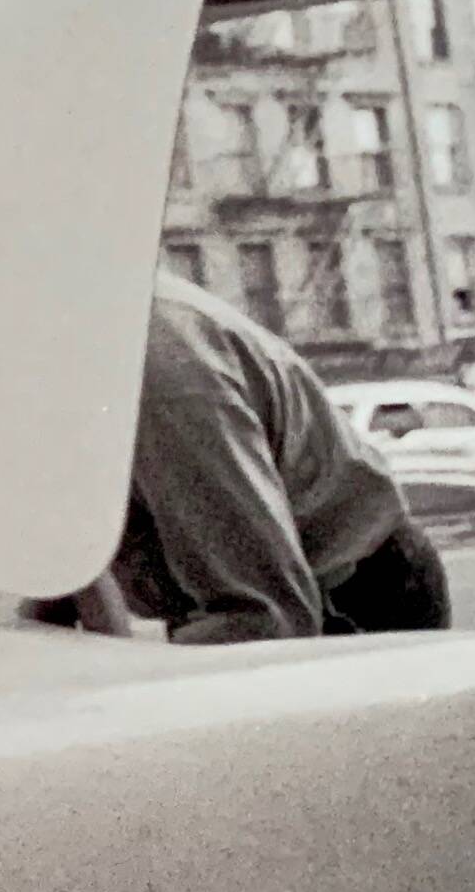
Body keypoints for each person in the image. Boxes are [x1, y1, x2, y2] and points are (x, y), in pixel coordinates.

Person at [33, 269, 446, 643]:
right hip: (242, 598)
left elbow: (267, 616)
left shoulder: (151, 368)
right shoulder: (63, 344)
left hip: (357, 597)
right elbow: (69, 557)